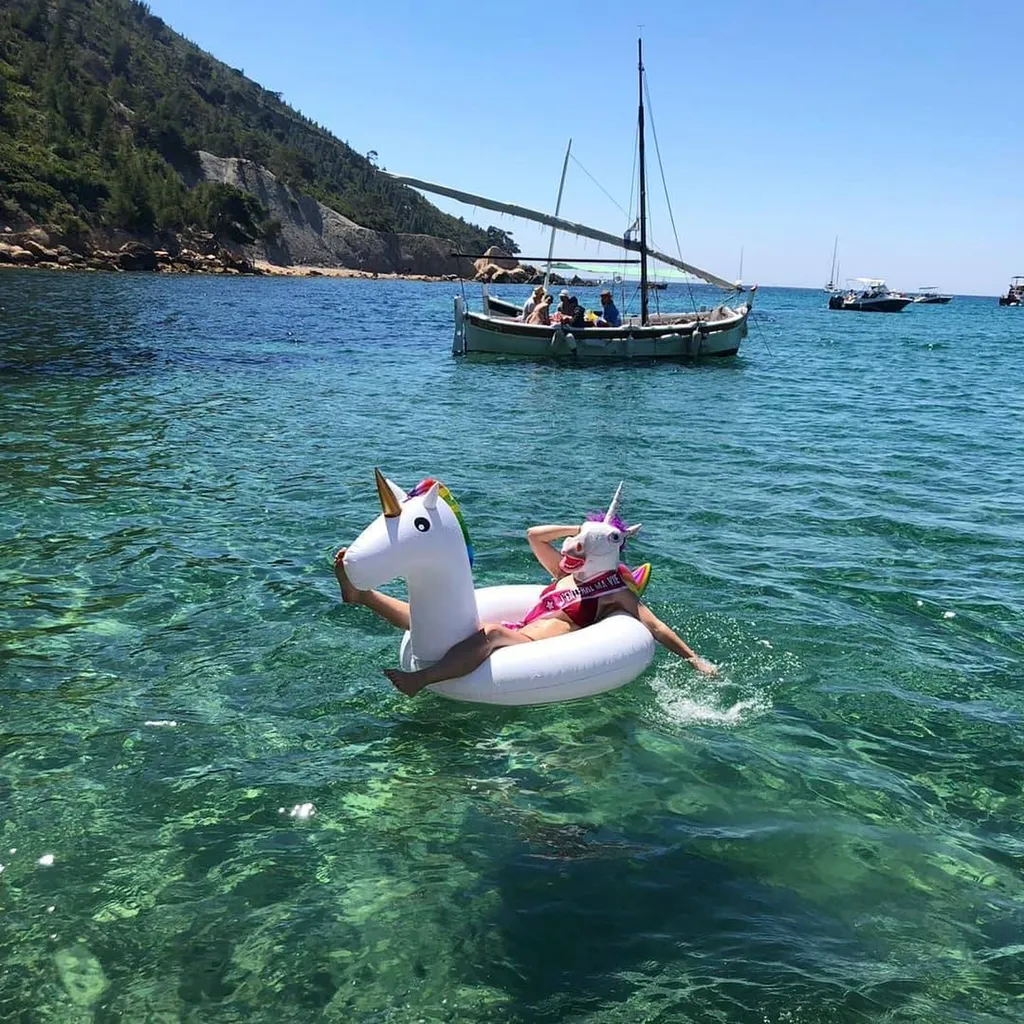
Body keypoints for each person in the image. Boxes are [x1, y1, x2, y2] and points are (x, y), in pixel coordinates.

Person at [334, 510, 718, 698]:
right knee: (429, 620)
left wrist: (694, 658)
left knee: (491, 632)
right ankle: (362, 595)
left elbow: (653, 626)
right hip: (521, 634)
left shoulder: (614, 592)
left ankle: (422, 680)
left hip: (540, 647)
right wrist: (578, 530)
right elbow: (534, 536)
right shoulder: (563, 576)